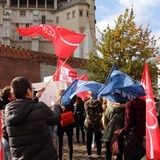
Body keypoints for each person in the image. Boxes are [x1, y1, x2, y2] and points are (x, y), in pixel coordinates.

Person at [4, 76, 60, 160]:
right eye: (32, 89)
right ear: (28, 91)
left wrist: (36, 97)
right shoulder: (40, 107)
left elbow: (26, 107)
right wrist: (55, 106)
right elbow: (56, 119)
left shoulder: (8, 111)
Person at [54, 89, 76, 160]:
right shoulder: (69, 103)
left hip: (59, 125)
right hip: (69, 123)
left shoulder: (56, 105)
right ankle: (70, 158)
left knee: (59, 145)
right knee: (70, 143)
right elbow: (75, 96)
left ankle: (59, 158)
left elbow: (55, 116)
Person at [84, 91, 103, 160]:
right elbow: (101, 111)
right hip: (97, 122)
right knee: (98, 139)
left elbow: (85, 111)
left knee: (88, 139)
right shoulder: (99, 103)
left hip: (88, 122)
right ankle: (99, 154)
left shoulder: (86, 103)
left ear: (89, 95)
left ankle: (89, 155)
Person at [0, 86, 15, 160]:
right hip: (9, 141)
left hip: (5, 139)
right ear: (9, 98)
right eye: (13, 93)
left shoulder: (4, 107)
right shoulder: (10, 108)